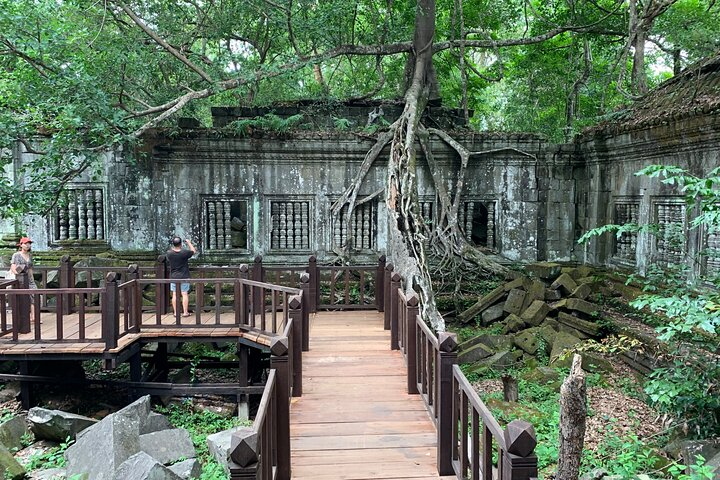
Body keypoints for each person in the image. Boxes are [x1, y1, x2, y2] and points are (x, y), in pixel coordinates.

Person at [167, 236, 196, 317]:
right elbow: (193, 251)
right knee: (184, 294)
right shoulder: (184, 253)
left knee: (175, 294)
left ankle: (176, 313)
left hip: (174, 276)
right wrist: (189, 243)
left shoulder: (169, 253)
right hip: (184, 276)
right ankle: (185, 312)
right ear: (181, 244)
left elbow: (171, 251)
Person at [10, 236, 38, 319]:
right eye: (26, 244)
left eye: (29, 244)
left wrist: (32, 278)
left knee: (35, 295)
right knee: (22, 298)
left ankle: (34, 316)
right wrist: (18, 276)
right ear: (21, 245)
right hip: (19, 279)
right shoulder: (16, 255)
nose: (28, 245)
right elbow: (13, 266)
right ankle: (22, 317)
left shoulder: (30, 255)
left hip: (29, 279)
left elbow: (30, 268)